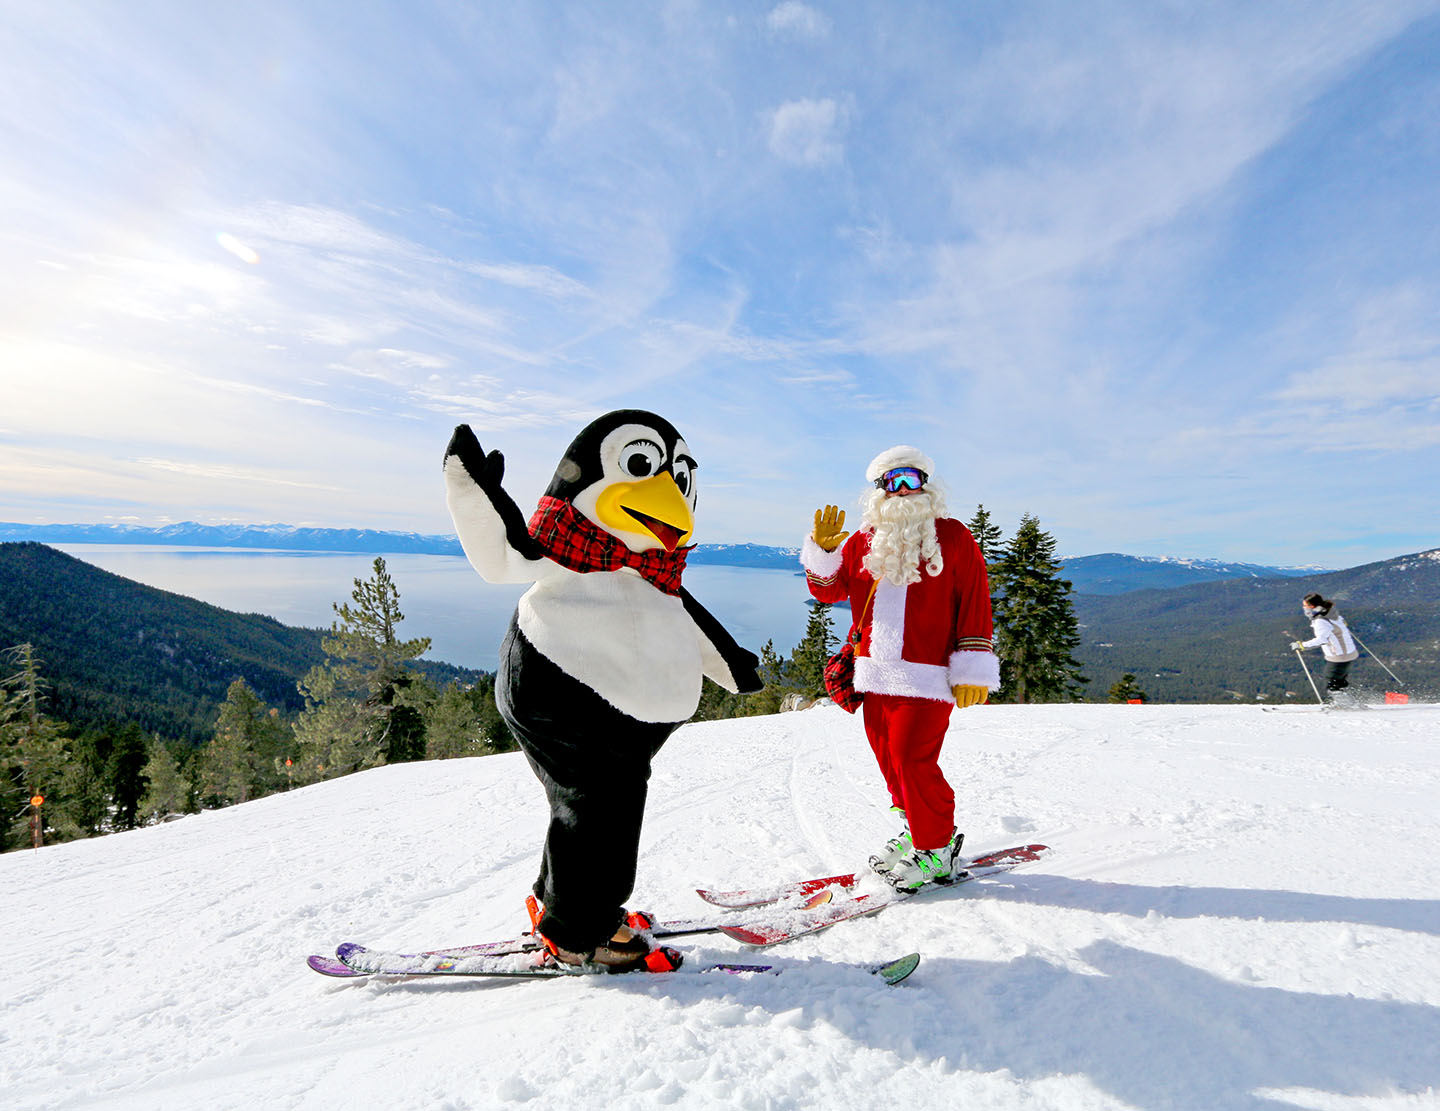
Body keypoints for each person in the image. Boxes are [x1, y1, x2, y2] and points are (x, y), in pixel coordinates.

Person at [801, 446, 1000, 891]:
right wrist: (825, 553)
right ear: (879, 492)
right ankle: (916, 829)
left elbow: (974, 598)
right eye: (892, 483)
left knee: (913, 760)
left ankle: (937, 849)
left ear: (927, 485)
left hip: (928, 677)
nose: (902, 491)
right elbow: (830, 592)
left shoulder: (952, 537)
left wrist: (972, 665)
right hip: (873, 675)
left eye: (910, 480)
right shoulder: (863, 540)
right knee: (891, 761)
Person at [1290, 593, 1360, 699]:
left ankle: (1343, 704)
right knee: (1338, 679)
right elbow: (1340, 623)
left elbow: (1321, 640)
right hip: (1348, 652)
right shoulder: (1330, 612)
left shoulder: (1320, 620)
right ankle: (1347, 701)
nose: (1303, 608)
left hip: (1339, 655)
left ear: (1312, 606)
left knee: (1332, 679)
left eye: (1305, 606)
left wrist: (1301, 645)